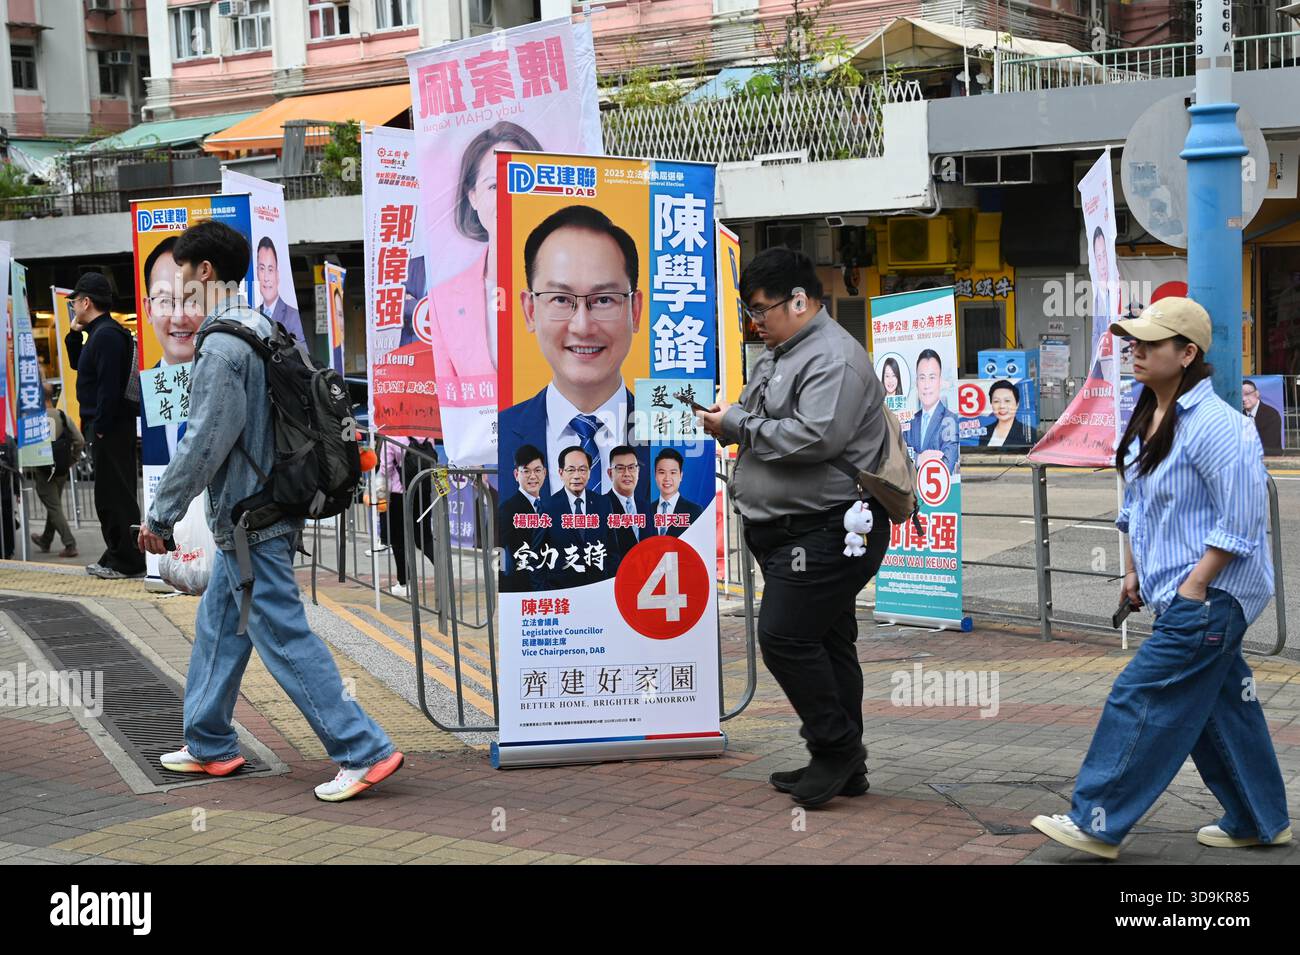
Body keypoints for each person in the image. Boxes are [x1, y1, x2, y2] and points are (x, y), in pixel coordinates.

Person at [138, 219, 403, 802]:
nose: (178, 287)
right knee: (219, 630)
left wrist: (159, 516)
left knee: (283, 636)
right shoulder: (262, 327)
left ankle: (364, 749)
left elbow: (204, 441)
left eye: (182, 273)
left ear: (204, 272)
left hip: (250, 522)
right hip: (257, 516)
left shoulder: (223, 347)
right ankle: (208, 741)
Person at [1032, 297, 1291, 859]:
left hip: (1212, 596)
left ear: (1188, 353)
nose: (1136, 350)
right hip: (1179, 591)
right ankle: (1259, 820)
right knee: (1223, 709)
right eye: (1134, 341)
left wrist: (1196, 586)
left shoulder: (1219, 426)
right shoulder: (1148, 413)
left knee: (1141, 695)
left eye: (1151, 342)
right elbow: (1141, 506)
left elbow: (1240, 518)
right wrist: (1132, 571)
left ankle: (1097, 821)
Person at [695, 247, 891, 808]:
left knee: (784, 636)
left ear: (800, 301)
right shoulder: (781, 352)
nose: (756, 323)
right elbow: (762, 419)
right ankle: (845, 762)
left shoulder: (834, 357)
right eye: (749, 312)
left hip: (830, 528)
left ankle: (835, 749)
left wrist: (735, 423)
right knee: (829, 643)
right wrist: (730, 419)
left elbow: (815, 438)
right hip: (793, 528)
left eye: (763, 310)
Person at [498, 204, 651, 506]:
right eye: (561, 299)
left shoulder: (667, 433)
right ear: (530, 310)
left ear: (635, 310)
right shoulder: (502, 432)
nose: (582, 326)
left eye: (604, 299)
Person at [404, 122, 543, 377]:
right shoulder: (444, 300)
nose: (508, 196)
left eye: (520, 182)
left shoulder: (578, 286)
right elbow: (449, 397)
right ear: (473, 197)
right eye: (493, 186)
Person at [65, 271, 145, 579]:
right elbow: (79, 364)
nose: (73, 306)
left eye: (75, 301)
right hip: (109, 425)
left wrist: (100, 425)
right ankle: (118, 555)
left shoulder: (108, 335)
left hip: (109, 427)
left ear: (86, 301)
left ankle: (126, 560)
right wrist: (73, 333)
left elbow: (109, 387)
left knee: (115, 494)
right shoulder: (101, 333)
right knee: (111, 492)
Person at [536, 445, 612, 589]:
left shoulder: (603, 503)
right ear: (560, 472)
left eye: (583, 470)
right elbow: (537, 556)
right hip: (561, 592)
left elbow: (612, 550)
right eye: (570, 470)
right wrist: (545, 592)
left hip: (598, 589)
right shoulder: (547, 507)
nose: (577, 476)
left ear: (589, 472)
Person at [29, 382, 84, 558]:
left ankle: (70, 544)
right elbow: (80, 440)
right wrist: (73, 459)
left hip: (44, 470)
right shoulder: (61, 415)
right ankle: (46, 539)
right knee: (55, 506)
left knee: (53, 507)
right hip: (61, 468)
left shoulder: (35, 418)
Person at [903, 348, 959, 475]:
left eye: (932, 377)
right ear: (916, 382)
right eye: (922, 378)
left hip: (941, 493)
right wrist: (919, 459)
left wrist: (914, 459)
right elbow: (898, 459)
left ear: (940, 381)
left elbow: (947, 464)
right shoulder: (909, 422)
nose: (926, 385)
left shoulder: (950, 420)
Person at [500, 443, 547, 589]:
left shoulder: (547, 507)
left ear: (544, 473)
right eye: (526, 471)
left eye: (537, 470)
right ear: (516, 475)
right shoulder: (508, 509)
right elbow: (498, 552)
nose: (533, 476)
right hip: (522, 588)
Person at [253, 236, 304, 341]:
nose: (266, 278)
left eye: (270, 269)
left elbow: (301, 352)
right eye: (262, 269)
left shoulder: (293, 316)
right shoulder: (252, 315)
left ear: (277, 274)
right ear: (257, 272)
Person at [603, 444, 648, 561]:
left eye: (632, 467)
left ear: (638, 471)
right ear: (610, 473)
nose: (627, 473)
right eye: (620, 468)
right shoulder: (600, 506)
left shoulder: (647, 508)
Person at [651, 447, 702, 537]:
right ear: (655, 475)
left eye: (673, 473)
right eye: (662, 472)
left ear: (681, 476)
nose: (667, 478)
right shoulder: (646, 511)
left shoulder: (695, 511)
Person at [977, 379, 1034, 448]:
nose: (1002, 406)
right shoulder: (985, 431)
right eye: (996, 401)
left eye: (1007, 401)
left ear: (1017, 404)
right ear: (991, 404)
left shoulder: (1028, 433)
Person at [1242, 379, 1283, 453]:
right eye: (1240, 395)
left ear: (1257, 393)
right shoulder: (1239, 415)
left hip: (1269, 459)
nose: (1243, 399)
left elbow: (1270, 445)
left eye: (1247, 394)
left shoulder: (1272, 414)